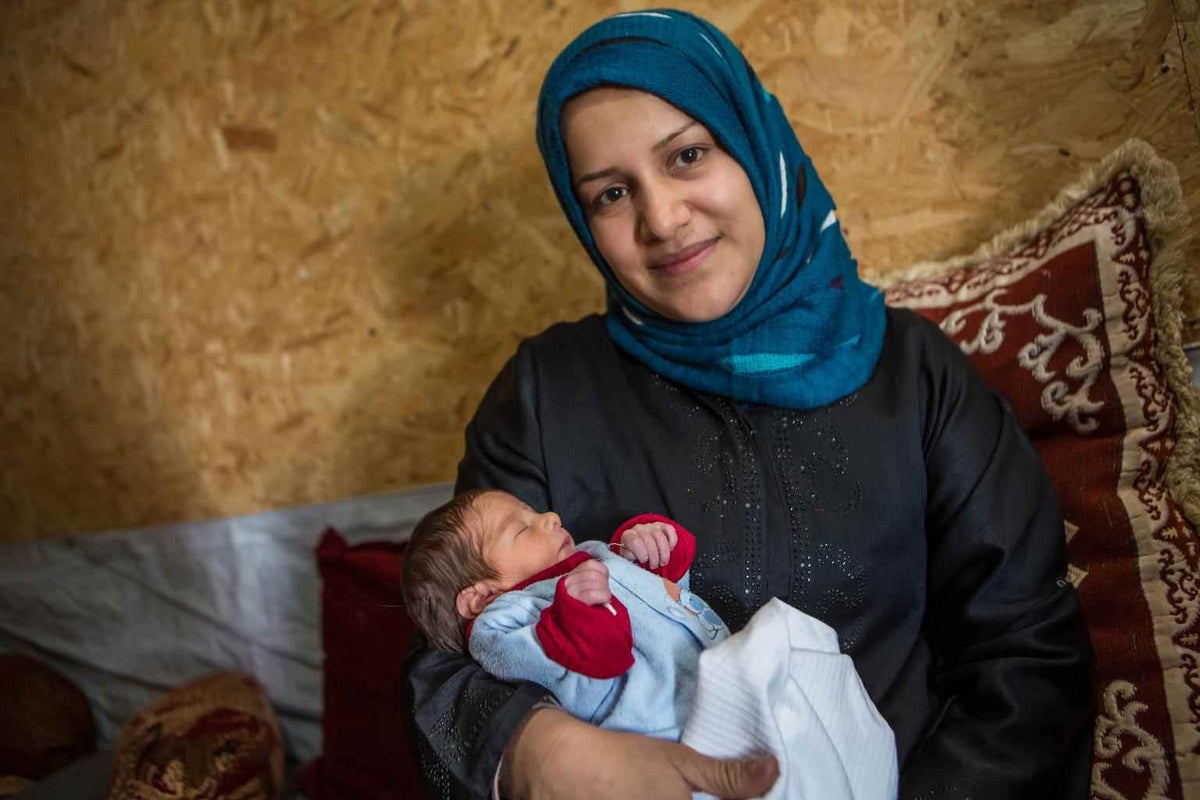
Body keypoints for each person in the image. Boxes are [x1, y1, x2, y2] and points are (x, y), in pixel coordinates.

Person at [404, 8, 1094, 800]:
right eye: (610, 193)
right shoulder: (542, 394)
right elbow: (449, 652)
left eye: (689, 155)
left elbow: (1028, 659)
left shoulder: (914, 376)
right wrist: (536, 752)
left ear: (755, 147)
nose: (661, 219)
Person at [403, 488, 897, 800]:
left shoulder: (584, 561)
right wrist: (581, 611)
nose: (549, 517)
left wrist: (656, 552)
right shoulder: (506, 623)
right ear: (478, 597)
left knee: (803, 664)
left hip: (701, 678)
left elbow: (662, 602)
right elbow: (590, 665)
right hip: (662, 736)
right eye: (522, 526)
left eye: (536, 511)